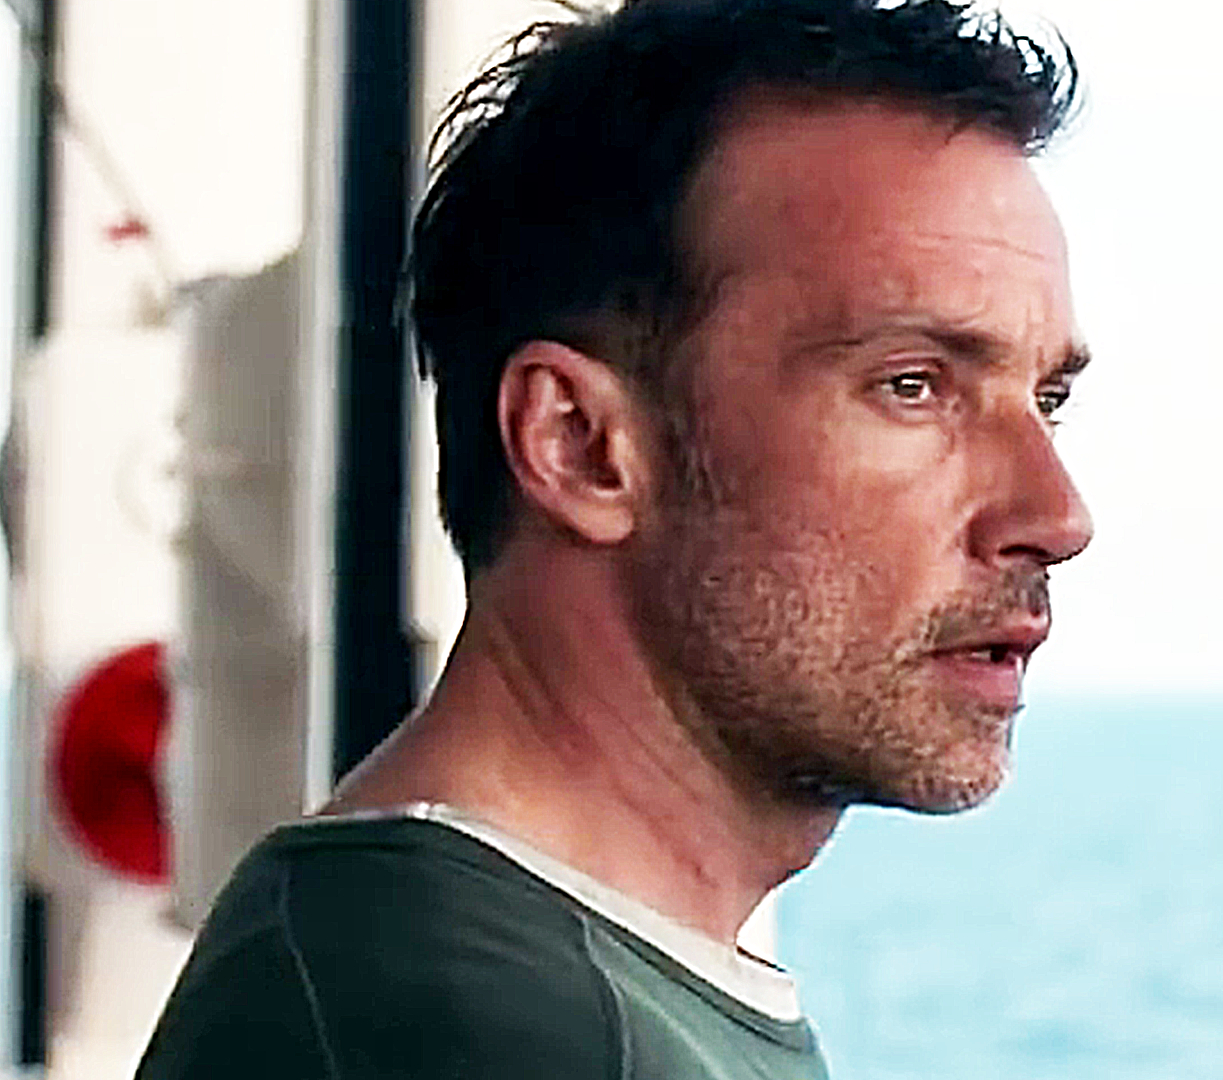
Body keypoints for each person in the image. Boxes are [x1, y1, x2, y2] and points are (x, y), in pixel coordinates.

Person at [135, 0, 1091, 1076]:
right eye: (912, 386)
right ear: (580, 445)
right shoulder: (478, 1034)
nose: (1056, 517)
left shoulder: (529, 979)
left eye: (1047, 400)